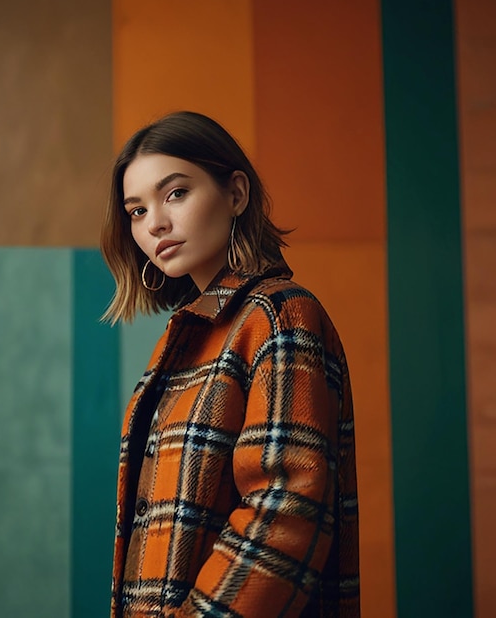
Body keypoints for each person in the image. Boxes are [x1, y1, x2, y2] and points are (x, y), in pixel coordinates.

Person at [101, 111, 359, 617]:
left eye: (175, 193)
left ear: (236, 194)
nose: (154, 223)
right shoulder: (190, 335)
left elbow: (285, 510)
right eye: (136, 210)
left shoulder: (279, 315)